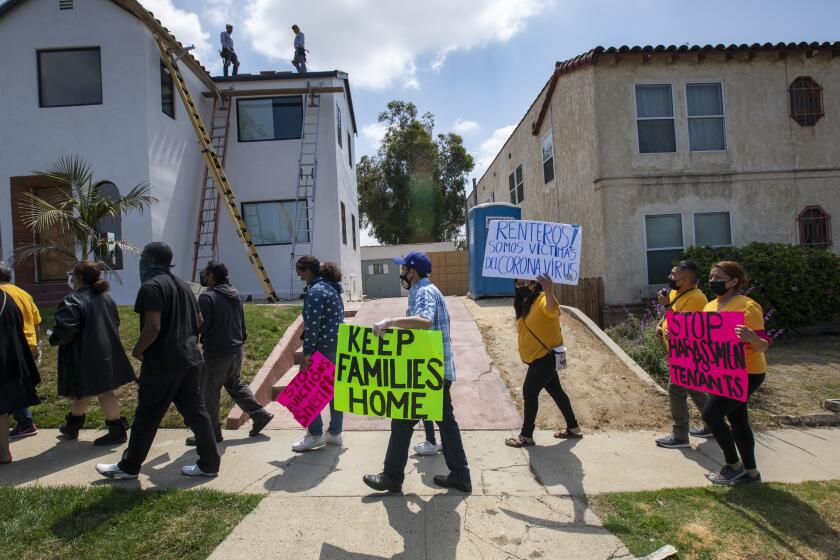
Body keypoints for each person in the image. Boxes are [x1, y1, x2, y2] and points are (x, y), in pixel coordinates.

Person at [96, 243, 220, 479]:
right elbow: (200, 319)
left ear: (151, 259)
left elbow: (153, 327)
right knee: (197, 412)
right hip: (190, 358)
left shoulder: (151, 287)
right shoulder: (184, 286)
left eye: (142, 257)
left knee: (147, 414)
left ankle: (129, 466)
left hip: (163, 362)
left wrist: (137, 350)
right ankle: (209, 464)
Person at [363, 252, 471, 493]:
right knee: (439, 423)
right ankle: (460, 475)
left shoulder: (424, 291)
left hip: (430, 374)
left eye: (403, 268)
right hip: (432, 371)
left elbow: (424, 321)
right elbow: (418, 332)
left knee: (405, 422)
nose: (401, 272)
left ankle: (392, 477)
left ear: (413, 271)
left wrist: (389, 322)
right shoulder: (424, 290)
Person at [186, 261, 273, 446]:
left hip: (216, 352)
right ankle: (260, 415)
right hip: (235, 349)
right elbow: (242, 323)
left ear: (211, 276)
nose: (202, 277)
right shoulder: (234, 294)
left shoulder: (207, 297)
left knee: (209, 391)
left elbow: (202, 325)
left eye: (205, 273)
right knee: (235, 383)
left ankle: (211, 433)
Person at [50, 262, 135, 446]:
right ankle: (73, 426)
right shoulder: (106, 298)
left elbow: (66, 330)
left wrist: (53, 337)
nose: (70, 277)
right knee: (93, 391)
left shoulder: (72, 300)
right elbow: (116, 322)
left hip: (84, 356)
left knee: (98, 392)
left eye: (72, 273)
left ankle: (115, 431)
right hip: (106, 353)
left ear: (79, 278)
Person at [701, 261, 770, 485]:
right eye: (711, 277)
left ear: (733, 281)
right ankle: (751, 473)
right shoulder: (710, 307)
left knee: (710, 415)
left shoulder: (748, 306)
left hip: (748, 372)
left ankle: (733, 465)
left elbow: (762, 345)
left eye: (718, 277)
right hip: (723, 372)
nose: (713, 281)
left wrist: (751, 337)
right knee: (738, 421)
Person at [505, 275, 581, 448]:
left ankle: (526, 436)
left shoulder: (540, 300)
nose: (521, 285)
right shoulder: (525, 303)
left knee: (529, 392)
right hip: (540, 359)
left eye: (526, 282)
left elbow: (552, 309)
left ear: (535, 284)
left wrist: (548, 289)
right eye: (518, 282)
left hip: (544, 358)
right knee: (557, 391)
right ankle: (573, 427)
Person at [654, 260, 713, 449]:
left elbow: (686, 326)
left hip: (688, 351)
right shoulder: (676, 292)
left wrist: (665, 307)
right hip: (676, 350)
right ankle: (712, 424)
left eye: (674, 275)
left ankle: (680, 436)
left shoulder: (697, 298)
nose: (670, 278)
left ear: (685, 279)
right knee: (694, 388)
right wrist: (661, 323)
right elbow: (672, 312)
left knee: (676, 390)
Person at [291, 256, 345, 452]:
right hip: (337, 345)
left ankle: (315, 435)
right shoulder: (332, 288)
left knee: (305, 392)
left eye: (300, 274)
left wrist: (306, 355)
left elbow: (312, 326)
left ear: (307, 271)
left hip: (322, 347)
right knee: (334, 393)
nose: (301, 278)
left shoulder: (315, 291)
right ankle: (335, 433)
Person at [0, 261, 41, 439]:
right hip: (27, 343)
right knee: (18, 384)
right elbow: (37, 320)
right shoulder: (23, 293)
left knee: (11, 386)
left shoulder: (4, 294)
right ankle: (24, 421)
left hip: (13, 345)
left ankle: (25, 422)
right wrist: (36, 345)